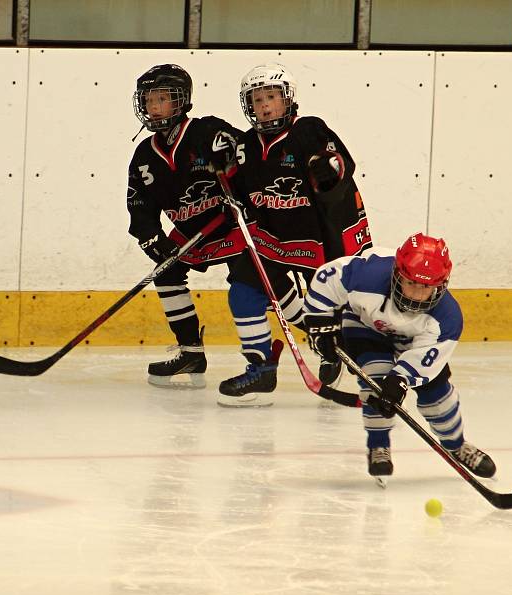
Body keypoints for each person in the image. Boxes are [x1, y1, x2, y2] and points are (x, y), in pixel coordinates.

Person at [217, 63, 372, 407]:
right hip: (272, 239)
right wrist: (223, 174)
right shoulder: (247, 145)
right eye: (257, 100)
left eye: (271, 97)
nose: (265, 106)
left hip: (320, 239)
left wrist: (328, 172)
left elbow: (339, 166)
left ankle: (349, 353)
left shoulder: (308, 131)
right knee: (243, 287)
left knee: (334, 311)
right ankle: (261, 368)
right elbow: (240, 191)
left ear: (287, 99)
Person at [303, 233, 496, 482]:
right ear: (397, 273)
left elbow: (425, 360)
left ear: (441, 285)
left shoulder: (447, 319)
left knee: (436, 398)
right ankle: (378, 446)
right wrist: (320, 323)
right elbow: (326, 278)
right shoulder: (368, 274)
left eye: (426, 287)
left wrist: (401, 380)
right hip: (365, 325)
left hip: (414, 343)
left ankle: (457, 444)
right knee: (376, 380)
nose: (416, 293)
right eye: (410, 283)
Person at [127, 63, 245, 389]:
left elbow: (246, 158)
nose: (153, 107)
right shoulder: (144, 156)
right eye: (149, 100)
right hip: (192, 231)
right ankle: (191, 351)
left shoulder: (206, 131)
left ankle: (317, 338)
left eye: (162, 99)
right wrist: (151, 237)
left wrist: (233, 173)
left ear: (181, 101)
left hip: (231, 225)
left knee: (250, 282)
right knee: (166, 271)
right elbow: (139, 206)